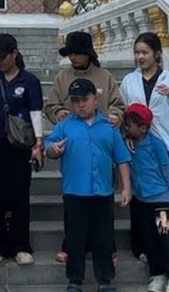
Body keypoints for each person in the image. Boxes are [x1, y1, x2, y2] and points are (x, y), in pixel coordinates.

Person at [45, 31, 125, 265]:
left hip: (100, 142)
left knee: (103, 206)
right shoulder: (62, 77)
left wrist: (115, 116)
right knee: (74, 205)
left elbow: (119, 105)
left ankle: (108, 248)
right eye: (70, 54)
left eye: (77, 53)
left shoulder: (105, 77)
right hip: (74, 145)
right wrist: (59, 113)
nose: (73, 58)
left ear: (88, 53)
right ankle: (71, 246)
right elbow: (51, 104)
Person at [45, 79, 131, 292]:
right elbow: (49, 147)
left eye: (84, 99)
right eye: (75, 101)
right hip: (74, 192)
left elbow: (121, 159)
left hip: (102, 192)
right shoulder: (64, 126)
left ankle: (105, 279)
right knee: (75, 238)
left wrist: (126, 187)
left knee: (104, 237)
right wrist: (53, 149)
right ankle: (75, 280)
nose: (80, 105)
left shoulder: (108, 128)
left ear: (95, 99)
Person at [118, 32, 169, 262]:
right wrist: (125, 135)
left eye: (144, 52)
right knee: (140, 200)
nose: (140, 57)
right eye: (137, 53)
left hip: (165, 146)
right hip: (139, 147)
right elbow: (123, 112)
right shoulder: (130, 81)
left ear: (157, 54)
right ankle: (142, 246)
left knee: (167, 201)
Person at [0, 33, 44, 266]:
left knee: (19, 194)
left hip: (20, 144)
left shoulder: (29, 81)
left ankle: (21, 245)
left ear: (14, 53)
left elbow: (35, 112)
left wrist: (39, 142)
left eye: (2, 57)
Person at [124, 103, 169, 292]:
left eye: (130, 125)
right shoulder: (127, 143)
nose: (126, 128)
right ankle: (156, 274)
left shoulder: (156, 144)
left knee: (165, 238)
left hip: (160, 202)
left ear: (143, 127)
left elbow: (168, 172)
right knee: (149, 239)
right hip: (141, 202)